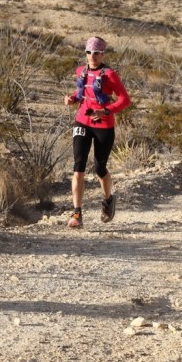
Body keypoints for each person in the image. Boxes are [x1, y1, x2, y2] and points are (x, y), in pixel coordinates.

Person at [63, 36, 131, 229]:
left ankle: (109, 199)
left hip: (104, 125)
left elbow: (125, 100)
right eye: (89, 52)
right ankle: (77, 214)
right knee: (78, 168)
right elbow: (82, 93)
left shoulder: (110, 75)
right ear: (85, 53)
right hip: (82, 121)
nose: (92, 56)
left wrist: (106, 110)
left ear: (102, 54)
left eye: (96, 53)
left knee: (100, 168)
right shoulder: (80, 71)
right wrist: (72, 99)